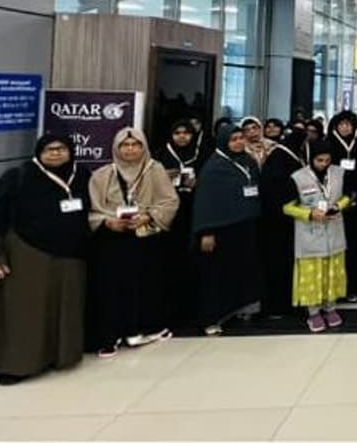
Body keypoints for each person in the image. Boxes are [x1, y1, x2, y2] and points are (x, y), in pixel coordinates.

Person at [0, 134, 91, 384]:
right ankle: (15, 366)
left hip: (71, 255)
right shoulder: (18, 177)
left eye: (61, 148)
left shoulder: (81, 175)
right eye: (49, 149)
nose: (55, 153)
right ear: (39, 152)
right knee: (24, 310)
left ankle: (59, 356)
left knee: (63, 307)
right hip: (27, 253)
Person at [87, 128, 179, 357]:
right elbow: (92, 210)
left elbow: (169, 201)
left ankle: (144, 328)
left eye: (135, 145)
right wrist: (109, 222)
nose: (130, 150)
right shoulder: (102, 175)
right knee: (112, 287)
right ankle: (112, 334)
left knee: (145, 284)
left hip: (145, 237)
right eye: (125, 146)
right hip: (113, 240)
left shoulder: (155, 170)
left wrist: (148, 216)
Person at [192, 125, 264, 335]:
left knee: (242, 270)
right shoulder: (214, 167)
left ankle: (239, 309)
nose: (239, 142)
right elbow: (206, 202)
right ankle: (212, 318)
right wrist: (207, 231)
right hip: (221, 229)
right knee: (217, 275)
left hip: (245, 225)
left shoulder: (248, 161)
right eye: (234, 139)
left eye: (241, 138)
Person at [284, 140, 351, 332]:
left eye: (327, 160)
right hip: (310, 235)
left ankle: (330, 307)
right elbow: (287, 207)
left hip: (334, 231)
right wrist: (309, 214)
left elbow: (348, 196)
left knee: (332, 274)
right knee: (312, 276)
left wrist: (338, 206)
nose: (323, 164)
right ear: (311, 159)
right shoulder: (298, 177)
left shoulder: (339, 173)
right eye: (319, 160)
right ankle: (313, 312)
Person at [155, 120, 203, 325]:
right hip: (168, 217)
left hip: (194, 213)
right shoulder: (159, 156)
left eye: (186, 133)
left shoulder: (201, 155)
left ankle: (190, 309)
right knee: (168, 262)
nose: (182, 137)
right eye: (177, 133)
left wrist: (199, 182)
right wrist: (162, 177)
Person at [258, 129, 309, 316]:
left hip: (285, 219)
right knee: (278, 262)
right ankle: (277, 304)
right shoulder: (281, 159)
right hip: (278, 220)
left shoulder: (284, 156)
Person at [328, 111, 357, 297]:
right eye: (341, 124)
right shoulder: (329, 143)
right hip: (334, 201)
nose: (345, 127)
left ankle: (353, 286)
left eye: (348, 124)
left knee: (355, 245)